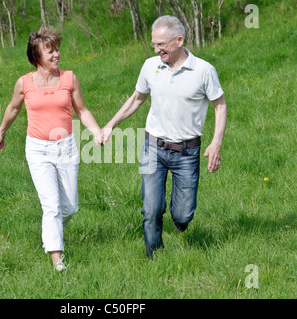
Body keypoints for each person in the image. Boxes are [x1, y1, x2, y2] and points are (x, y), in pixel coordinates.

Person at [101, 15, 227, 257]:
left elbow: (220, 105)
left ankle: (180, 219)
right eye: (154, 45)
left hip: (187, 151)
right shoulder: (150, 66)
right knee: (151, 208)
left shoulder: (203, 70)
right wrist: (110, 125)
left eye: (161, 44)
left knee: (182, 214)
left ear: (179, 40)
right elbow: (137, 98)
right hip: (153, 147)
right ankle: (155, 258)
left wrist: (216, 142)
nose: (157, 50)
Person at [0, 27, 101, 271]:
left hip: (66, 148)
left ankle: (49, 228)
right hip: (38, 149)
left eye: (57, 50)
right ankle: (57, 261)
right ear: (36, 57)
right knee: (51, 205)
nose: (56, 55)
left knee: (70, 206)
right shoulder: (24, 83)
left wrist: (95, 131)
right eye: (49, 51)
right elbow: (13, 109)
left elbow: (82, 111)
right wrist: (1, 132)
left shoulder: (69, 78)